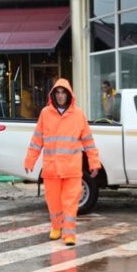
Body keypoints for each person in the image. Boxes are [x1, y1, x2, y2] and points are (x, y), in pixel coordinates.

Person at [24, 78, 100, 246]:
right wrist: (30, 160)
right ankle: (56, 227)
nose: (60, 96)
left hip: (71, 168)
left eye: (63, 93)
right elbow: (37, 140)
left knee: (71, 202)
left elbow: (88, 141)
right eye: (57, 93)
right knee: (53, 201)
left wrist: (94, 162)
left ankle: (69, 233)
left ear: (69, 95)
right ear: (53, 95)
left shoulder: (78, 115)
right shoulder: (45, 113)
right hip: (51, 168)